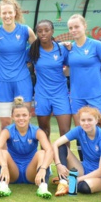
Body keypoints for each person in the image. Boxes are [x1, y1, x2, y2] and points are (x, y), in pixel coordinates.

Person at [67, 14, 101, 159]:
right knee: (81, 132)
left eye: (76, 27)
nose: (73, 30)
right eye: (70, 28)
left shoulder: (96, 45)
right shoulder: (69, 48)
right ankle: (85, 165)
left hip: (97, 95)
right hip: (77, 97)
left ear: (84, 26)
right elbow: (68, 70)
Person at [0, 0, 36, 130]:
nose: (7, 16)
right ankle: (4, 151)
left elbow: (38, 50)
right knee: (5, 123)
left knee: (23, 121)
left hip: (22, 82)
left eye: (10, 12)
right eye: (4, 13)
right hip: (3, 83)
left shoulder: (25, 30)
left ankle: (25, 150)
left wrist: (29, 62)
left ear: (15, 13)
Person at [28, 19, 72, 173]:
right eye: (40, 31)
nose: (43, 33)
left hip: (60, 95)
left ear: (52, 31)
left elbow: (70, 67)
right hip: (42, 95)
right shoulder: (33, 50)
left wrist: (65, 74)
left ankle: (64, 166)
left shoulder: (62, 49)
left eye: (46, 30)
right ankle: (45, 165)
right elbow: (22, 64)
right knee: (44, 130)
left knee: (65, 132)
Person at [0, 97, 53, 199]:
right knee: (2, 153)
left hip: (31, 171)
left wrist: (43, 168)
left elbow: (49, 150)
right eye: (17, 115)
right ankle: (3, 186)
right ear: (12, 117)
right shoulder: (8, 131)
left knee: (41, 153)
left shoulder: (36, 131)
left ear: (29, 116)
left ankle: (43, 187)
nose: (21, 118)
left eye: (24, 115)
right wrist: (4, 166)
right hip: (13, 171)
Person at [51, 106, 101, 196]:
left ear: (96, 120)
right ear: (79, 121)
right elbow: (55, 144)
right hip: (83, 169)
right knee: (61, 147)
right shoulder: (79, 130)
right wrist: (58, 164)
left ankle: (70, 181)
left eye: (89, 120)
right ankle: (63, 182)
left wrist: (78, 179)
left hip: (100, 176)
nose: (86, 123)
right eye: (83, 120)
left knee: (84, 187)